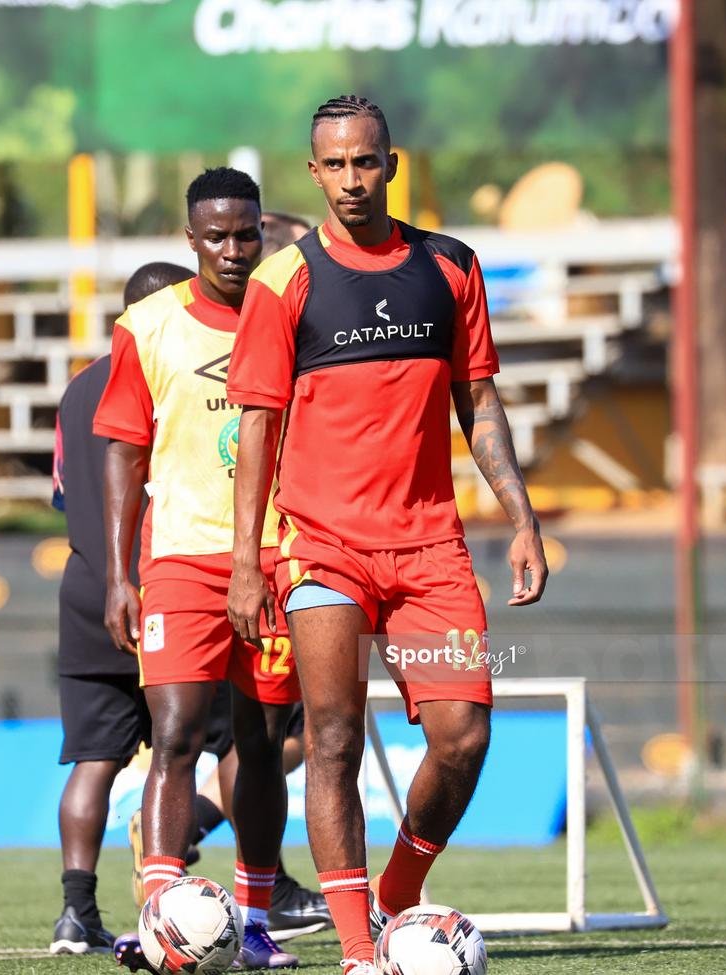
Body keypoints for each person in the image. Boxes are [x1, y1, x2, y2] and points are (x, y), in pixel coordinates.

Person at [226, 96, 549, 974]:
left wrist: (521, 518)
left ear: (391, 163)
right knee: (330, 738)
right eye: (334, 165)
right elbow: (256, 425)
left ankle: (399, 889)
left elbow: (478, 399)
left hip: (430, 549)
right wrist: (247, 562)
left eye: (365, 162)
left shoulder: (449, 267)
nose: (351, 180)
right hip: (322, 547)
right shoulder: (282, 282)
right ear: (313, 171)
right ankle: (363, 952)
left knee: (463, 737)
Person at [95, 167, 301, 970]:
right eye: (215, 236)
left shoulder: (294, 313)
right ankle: (160, 914)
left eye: (246, 233)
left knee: (258, 739)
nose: (232, 249)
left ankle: (252, 917)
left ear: (263, 233)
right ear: (191, 241)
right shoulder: (147, 326)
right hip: (180, 555)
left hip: (280, 555)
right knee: (176, 731)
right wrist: (120, 572)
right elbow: (122, 447)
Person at [49, 262, 193, 955]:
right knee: (209, 740)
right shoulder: (171, 373)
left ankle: (76, 912)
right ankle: (251, 896)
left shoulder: (78, 385)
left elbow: (61, 494)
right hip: (162, 585)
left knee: (94, 759)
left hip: (85, 588)